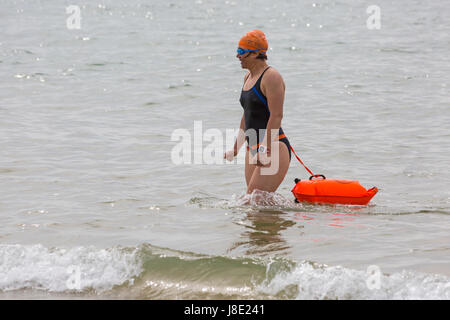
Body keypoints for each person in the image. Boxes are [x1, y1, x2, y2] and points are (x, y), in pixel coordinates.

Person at [224, 30, 291, 194]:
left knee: (253, 202)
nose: (237, 56)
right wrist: (235, 148)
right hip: (252, 147)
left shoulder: (271, 77)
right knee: (257, 207)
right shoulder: (247, 77)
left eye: (241, 52)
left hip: (273, 146)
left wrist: (264, 149)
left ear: (255, 54)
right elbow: (247, 115)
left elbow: (277, 116)